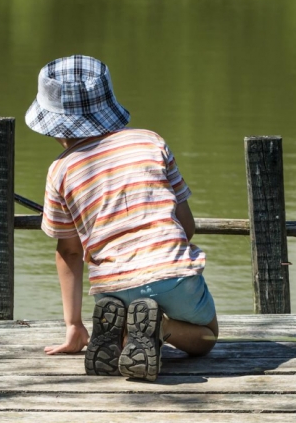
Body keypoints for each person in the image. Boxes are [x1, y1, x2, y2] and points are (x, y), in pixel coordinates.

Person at [25, 55, 219, 381]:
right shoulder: (150, 141)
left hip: (110, 284)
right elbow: (187, 226)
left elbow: (69, 252)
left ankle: (125, 330)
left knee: (130, 323)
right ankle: (162, 327)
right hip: (170, 270)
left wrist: (73, 325)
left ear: (54, 127)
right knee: (207, 336)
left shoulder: (60, 171)